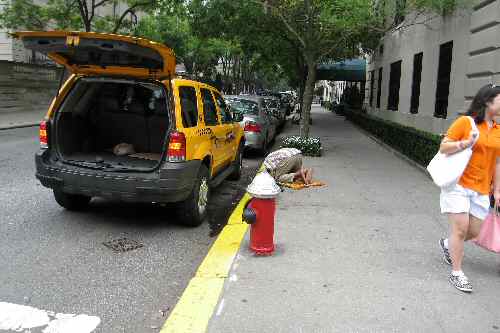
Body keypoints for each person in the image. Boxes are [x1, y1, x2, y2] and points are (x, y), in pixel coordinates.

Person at [438, 84, 500, 293]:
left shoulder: (498, 130)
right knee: (461, 229)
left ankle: (447, 245)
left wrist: (497, 190)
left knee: (473, 232)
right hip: (459, 185)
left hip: (482, 189)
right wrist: (464, 144)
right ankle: (457, 273)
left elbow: (497, 162)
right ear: (487, 101)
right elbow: (444, 146)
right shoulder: (466, 123)